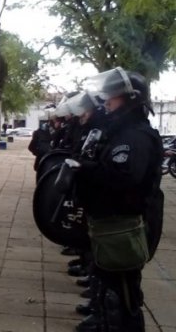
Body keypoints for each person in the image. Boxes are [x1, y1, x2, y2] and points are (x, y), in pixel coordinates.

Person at [71, 67, 163, 332]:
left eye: (113, 96)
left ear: (131, 99)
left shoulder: (136, 136)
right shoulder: (121, 132)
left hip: (127, 226)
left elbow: (125, 181)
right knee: (107, 285)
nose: (107, 101)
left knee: (122, 295)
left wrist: (88, 171)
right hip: (113, 225)